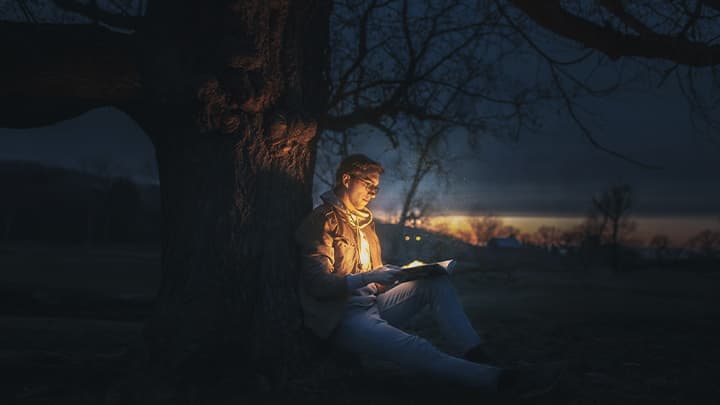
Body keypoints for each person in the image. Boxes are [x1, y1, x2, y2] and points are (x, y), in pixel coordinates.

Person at [295, 154, 558, 396]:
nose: (373, 193)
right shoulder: (323, 220)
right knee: (415, 347)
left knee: (435, 282)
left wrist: (402, 274)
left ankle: (480, 358)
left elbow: (372, 279)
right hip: (342, 318)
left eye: (377, 187)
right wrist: (368, 277)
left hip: (372, 305)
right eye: (368, 184)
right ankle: (499, 381)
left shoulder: (365, 224)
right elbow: (318, 285)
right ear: (346, 179)